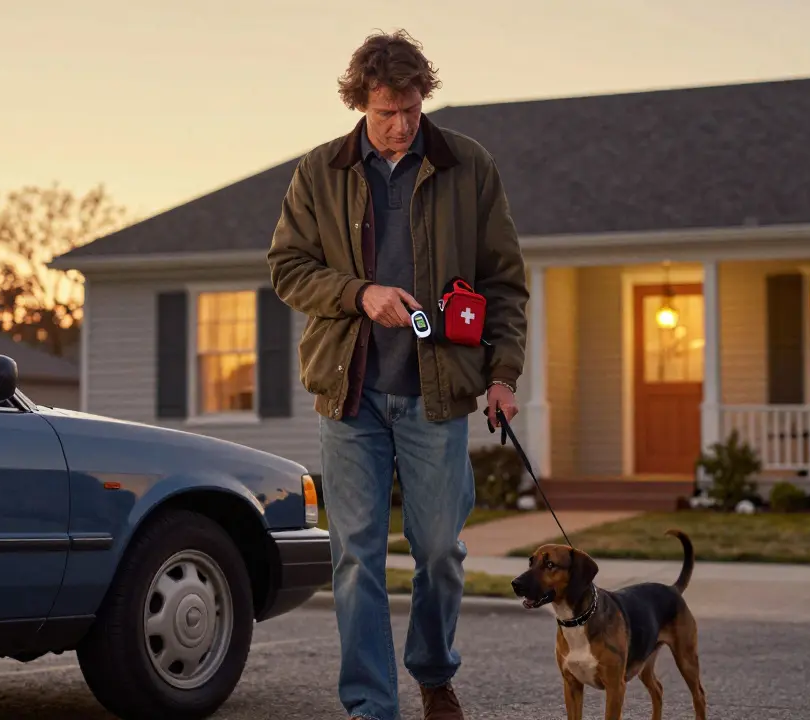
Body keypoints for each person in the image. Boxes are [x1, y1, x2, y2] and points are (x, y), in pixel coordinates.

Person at [266, 29, 529, 720]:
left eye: (411, 109)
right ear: (361, 103)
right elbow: (287, 270)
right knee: (356, 557)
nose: (402, 125)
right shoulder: (319, 173)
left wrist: (502, 374)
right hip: (350, 396)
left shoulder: (467, 166)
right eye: (387, 112)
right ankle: (369, 706)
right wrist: (360, 294)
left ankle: (435, 673)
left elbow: (505, 280)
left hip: (437, 393)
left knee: (440, 550)